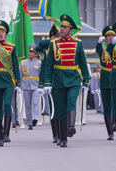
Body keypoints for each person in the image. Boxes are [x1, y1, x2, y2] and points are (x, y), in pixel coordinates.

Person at [38, 14, 90, 148]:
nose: (62, 29)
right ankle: (62, 137)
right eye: (61, 26)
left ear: (71, 30)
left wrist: (86, 80)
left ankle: (71, 126)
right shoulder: (53, 44)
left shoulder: (78, 44)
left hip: (73, 78)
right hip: (59, 79)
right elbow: (49, 66)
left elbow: (83, 64)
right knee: (60, 110)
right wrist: (47, 83)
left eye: (65, 27)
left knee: (71, 102)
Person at [94, 25, 115, 138]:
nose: (110, 37)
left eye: (112, 35)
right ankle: (109, 131)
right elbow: (98, 50)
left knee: (115, 104)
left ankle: (115, 123)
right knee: (107, 106)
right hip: (105, 78)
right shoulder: (102, 48)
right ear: (105, 38)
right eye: (108, 36)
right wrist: (99, 43)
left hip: (115, 77)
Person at [20, 48, 42, 129]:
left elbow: (41, 75)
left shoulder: (39, 63)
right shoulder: (23, 63)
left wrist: (41, 86)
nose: (30, 53)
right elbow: (20, 74)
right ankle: (29, 123)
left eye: (32, 52)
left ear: (36, 54)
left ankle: (35, 118)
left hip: (36, 85)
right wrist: (19, 85)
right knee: (28, 105)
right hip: (26, 85)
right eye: (29, 51)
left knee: (36, 103)